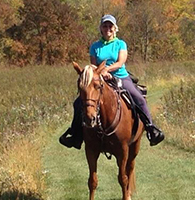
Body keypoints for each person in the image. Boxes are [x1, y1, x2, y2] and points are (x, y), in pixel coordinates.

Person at [59, 14, 164, 149]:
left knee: (138, 97)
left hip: (120, 77)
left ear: (115, 28)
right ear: (101, 28)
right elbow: (93, 66)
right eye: (105, 26)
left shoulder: (120, 44)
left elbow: (120, 62)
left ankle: (151, 128)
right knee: (78, 102)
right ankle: (75, 135)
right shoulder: (95, 46)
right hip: (100, 78)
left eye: (110, 26)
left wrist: (107, 70)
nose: (108, 28)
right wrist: (101, 73)